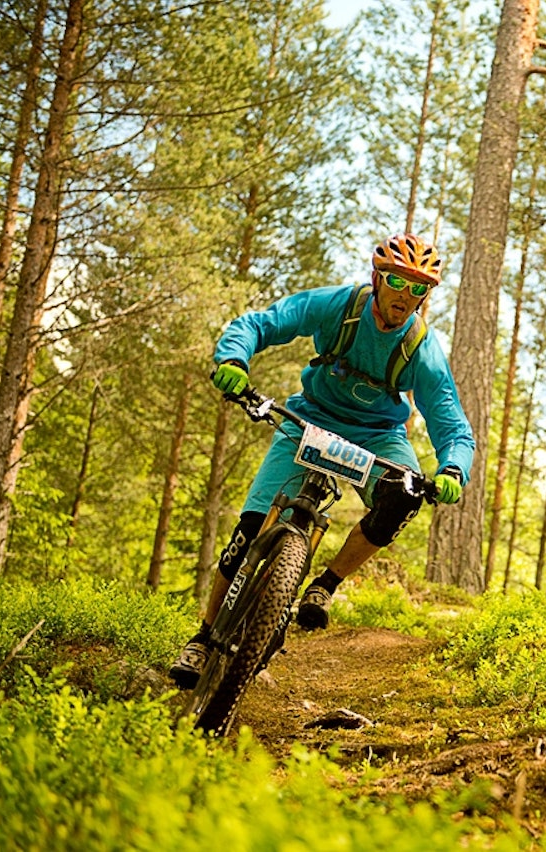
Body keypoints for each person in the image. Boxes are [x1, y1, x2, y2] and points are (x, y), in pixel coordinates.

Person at [169, 233, 474, 688]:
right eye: (396, 281)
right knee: (249, 531)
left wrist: (452, 467)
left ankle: (325, 584)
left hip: (376, 437)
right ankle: (204, 637)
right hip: (307, 419)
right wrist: (233, 358)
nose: (405, 296)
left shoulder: (420, 348)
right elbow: (263, 323)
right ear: (377, 278)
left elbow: (450, 421)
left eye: (419, 289)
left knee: (403, 494)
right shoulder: (338, 306)